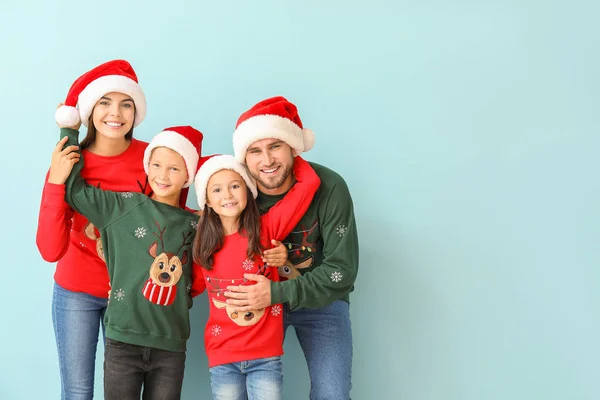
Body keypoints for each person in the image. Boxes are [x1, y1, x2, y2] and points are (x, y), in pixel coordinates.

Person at [52, 123, 207, 398]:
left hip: (170, 344)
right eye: (157, 165)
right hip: (123, 341)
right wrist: (69, 131)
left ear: (188, 175)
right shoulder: (123, 206)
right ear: (147, 166)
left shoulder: (197, 225)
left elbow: (203, 277)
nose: (163, 175)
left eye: (174, 168)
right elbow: (76, 192)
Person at [225, 96, 359, 399]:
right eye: (255, 151)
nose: (267, 161)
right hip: (256, 304)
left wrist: (276, 291)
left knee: (332, 394)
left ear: (293, 148)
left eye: (275, 147)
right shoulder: (236, 191)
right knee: (239, 391)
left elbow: (342, 271)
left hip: (321, 301)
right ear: (244, 157)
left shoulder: (330, 187)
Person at [192, 153, 321, 400]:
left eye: (235, 186)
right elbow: (188, 289)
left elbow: (309, 183)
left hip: (265, 357)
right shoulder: (202, 246)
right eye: (217, 189)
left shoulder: (266, 229)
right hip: (222, 358)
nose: (227, 195)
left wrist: (290, 147)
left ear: (248, 190)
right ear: (206, 201)